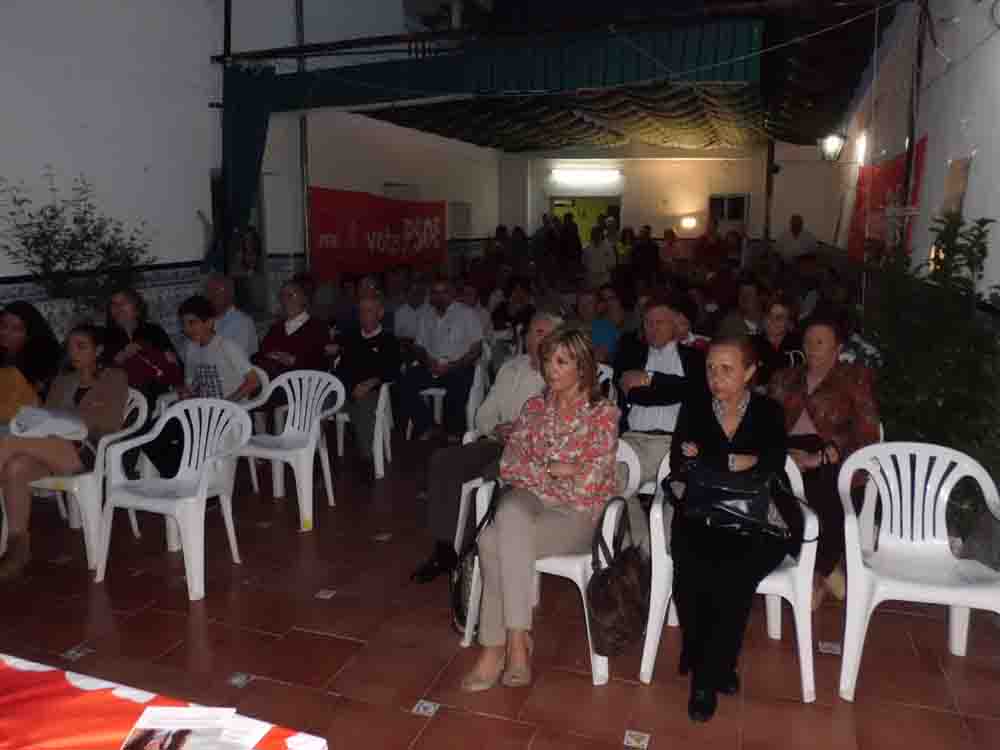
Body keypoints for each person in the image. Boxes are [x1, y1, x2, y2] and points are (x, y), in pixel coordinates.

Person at [461, 326, 620, 692]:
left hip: (576, 514)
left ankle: (496, 646)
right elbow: (509, 465)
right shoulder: (535, 407)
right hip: (531, 500)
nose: (551, 369)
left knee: (491, 541)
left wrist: (550, 471)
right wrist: (557, 470)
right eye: (548, 360)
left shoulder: (602, 413)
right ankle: (516, 642)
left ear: (582, 366)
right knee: (510, 514)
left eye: (561, 361)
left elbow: (591, 482)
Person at [669, 336, 793, 722]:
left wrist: (711, 460)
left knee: (732, 576)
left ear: (750, 372)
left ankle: (706, 675)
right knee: (690, 572)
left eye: (726, 369)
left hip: (754, 520)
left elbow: (772, 462)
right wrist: (734, 461)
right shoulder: (695, 408)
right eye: (710, 368)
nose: (715, 377)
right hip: (703, 513)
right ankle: (711, 664)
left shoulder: (769, 411)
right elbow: (679, 462)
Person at [410, 311, 562, 583]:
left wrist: (520, 432)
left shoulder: (560, 374)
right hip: (496, 440)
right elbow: (484, 413)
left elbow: (558, 425)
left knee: (490, 475)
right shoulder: (511, 368)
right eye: (532, 332)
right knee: (444, 460)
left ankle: (473, 550)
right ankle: (445, 549)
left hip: (530, 451)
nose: (534, 338)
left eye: (542, 333)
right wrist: (495, 428)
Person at [768, 316, 880, 608]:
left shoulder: (854, 379)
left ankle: (816, 573)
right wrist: (783, 455)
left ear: (837, 348)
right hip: (787, 456)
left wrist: (822, 456)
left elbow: (868, 435)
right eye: (808, 341)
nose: (812, 347)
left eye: (820, 342)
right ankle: (828, 572)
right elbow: (765, 425)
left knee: (826, 489)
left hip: (835, 458)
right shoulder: (785, 378)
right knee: (773, 489)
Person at [0, 324, 128, 579]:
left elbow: (110, 422)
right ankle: (18, 547)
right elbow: (46, 415)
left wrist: (71, 421)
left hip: (89, 451)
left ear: (98, 350)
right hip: (52, 448)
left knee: (11, 442)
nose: (73, 353)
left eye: (81, 347)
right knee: (16, 467)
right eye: (70, 347)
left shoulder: (115, 377)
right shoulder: (63, 379)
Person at [614, 294, 708, 484]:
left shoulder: (695, 358)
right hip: (632, 441)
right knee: (608, 486)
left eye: (660, 322)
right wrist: (678, 387)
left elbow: (696, 391)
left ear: (674, 324)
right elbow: (637, 395)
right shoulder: (630, 353)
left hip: (674, 444)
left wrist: (650, 378)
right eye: (648, 323)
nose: (653, 328)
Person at [397, 276, 483, 440]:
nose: (439, 296)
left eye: (444, 292)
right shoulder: (426, 315)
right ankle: (427, 425)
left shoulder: (467, 314)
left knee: (458, 383)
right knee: (404, 382)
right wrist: (427, 361)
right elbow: (418, 346)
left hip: (458, 365)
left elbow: (476, 349)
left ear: (452, 293)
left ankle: (453, 431)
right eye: (435, 292)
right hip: (431, 365)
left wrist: (455, 365)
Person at [334, 293, 400, 475]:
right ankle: (313, 450)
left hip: (373, 392)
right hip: (347, 390)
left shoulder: (389, 340)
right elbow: (341, 369)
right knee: (318, 400)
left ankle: (367, 459)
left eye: (369, 311)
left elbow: (393, 371)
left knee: (363, 404)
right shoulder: (351, 338)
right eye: (361, 311)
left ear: (380, 313)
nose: (364, 316)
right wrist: (347, 388)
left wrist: (370, 382)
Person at [104, 288, 183, 410]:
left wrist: (171, 362)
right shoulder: (105, 337)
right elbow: (100, 375)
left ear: (137, 307)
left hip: (158, 397)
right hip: (123, 401)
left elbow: (177, 366)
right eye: (113, 304)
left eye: (124, 302)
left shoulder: (154, 331)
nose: (118, 308)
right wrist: (121, 357)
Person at [253, 278, 330, 379]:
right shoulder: (276, 328)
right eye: (282, 296)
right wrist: (269, 355)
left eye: (290, 295)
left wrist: (293, 360)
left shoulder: (318, 327)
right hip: (274, 381)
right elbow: (259, 356)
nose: (285, 300)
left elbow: (322, 363)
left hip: (303, 383)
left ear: (304, 298)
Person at [0, 302, 62, 420]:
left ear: (30, 334)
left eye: (16, 329)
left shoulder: (42, 363)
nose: (5, 333)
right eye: (3, 326)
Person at [752, 293, 803, 388]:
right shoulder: (751, 343)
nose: (772, 320)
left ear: (790, 323)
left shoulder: (799, 344)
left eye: (779, 317)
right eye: (769, 315)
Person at [205, 274, 259, 357]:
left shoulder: (243, 322)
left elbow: (235, 358)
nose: (211, 296)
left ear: (230, 294)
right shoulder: (204, 320)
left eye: (217, 291)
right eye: (209, 292)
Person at [575, 289, 618, 363]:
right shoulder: (571, 325)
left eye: (589, 303)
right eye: (581, 303)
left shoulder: (606, 327)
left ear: (599, 306)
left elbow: (601, 357)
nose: (584, 307)